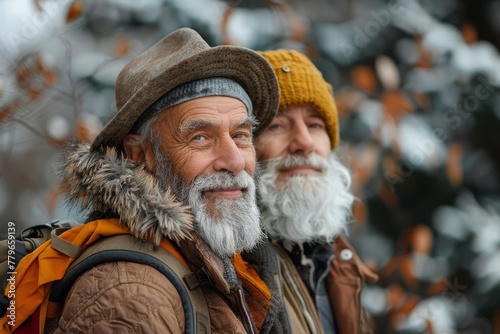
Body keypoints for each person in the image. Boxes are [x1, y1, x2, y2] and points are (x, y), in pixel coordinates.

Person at [26, 28, 290, 333]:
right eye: (200, 137)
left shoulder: (223, 259)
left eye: (240, 136)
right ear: (139, 154)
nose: (234, 161)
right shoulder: (131, 293)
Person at [255, 49, 379, 334]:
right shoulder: (229, 271)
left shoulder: (341, 265)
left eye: (315, 124)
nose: (304, 142)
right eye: (276, 125)